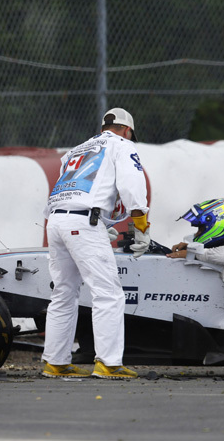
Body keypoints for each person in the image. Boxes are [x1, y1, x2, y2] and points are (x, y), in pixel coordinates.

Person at [41, 107, 150, 380]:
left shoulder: (77, 150)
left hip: (55, 221)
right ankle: (109, 363)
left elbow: (82, 188)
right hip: (83, 224)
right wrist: (141, 223)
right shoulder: (122, 145)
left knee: (64, 293)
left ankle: (55, 362)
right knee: (108, 293)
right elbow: (132, 184)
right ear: (127, 131)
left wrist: (103, 224)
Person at [167, 198, 224, 265]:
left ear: (217, 227)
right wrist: (191, 248)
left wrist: (194, 253)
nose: (197, 234)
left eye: (201, 229)